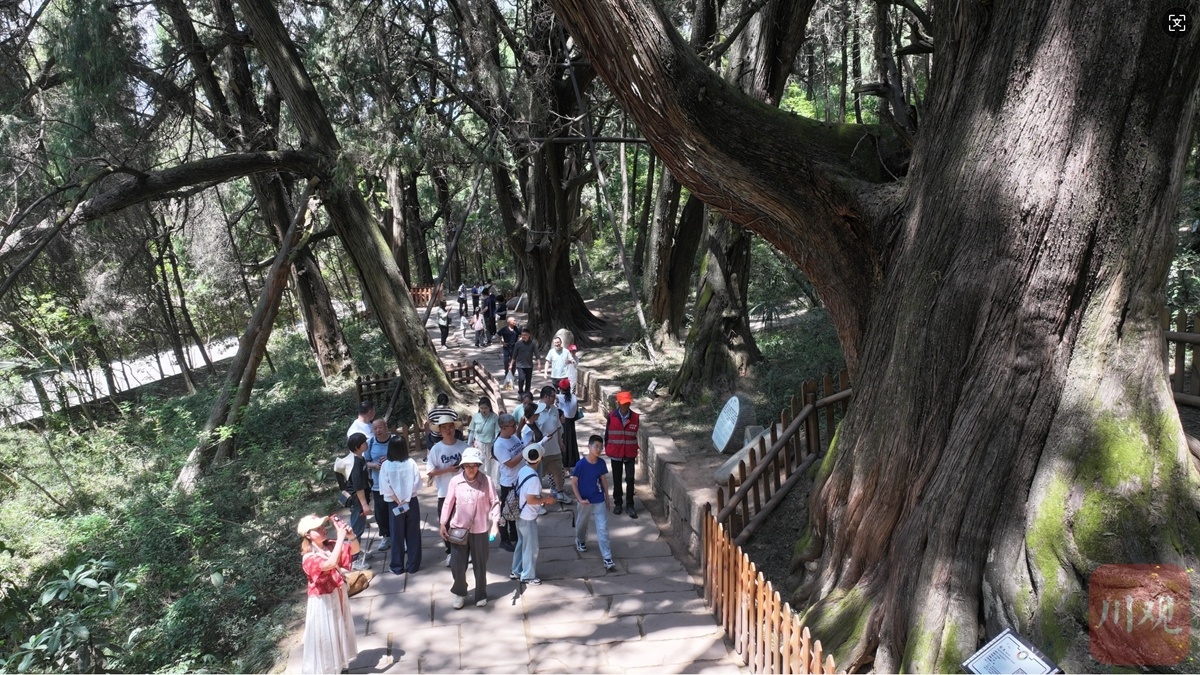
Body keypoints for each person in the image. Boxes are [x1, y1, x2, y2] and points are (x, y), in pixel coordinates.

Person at [297, 514, 360, 674]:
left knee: (340, 629)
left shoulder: (330, 545)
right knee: (326, 635)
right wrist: (340, 537)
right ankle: (328, 669)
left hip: (337, 595)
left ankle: (341, 665)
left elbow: (355, 550)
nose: (323, 530)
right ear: (308, 535)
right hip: (323, 601)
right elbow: (330, 563)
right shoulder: (308, 558)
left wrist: (351, 536)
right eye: (317, 528)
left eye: (322, 526)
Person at [440, 448, 500, 608]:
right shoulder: (455, 481)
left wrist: (495, 524)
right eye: (467, 465)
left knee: (480, 565)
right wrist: (443, 523)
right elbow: (448, 503)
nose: (471, 469)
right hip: (459, 529)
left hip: (480, 529)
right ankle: (460, 592)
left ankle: (481, 594)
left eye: (474, 465)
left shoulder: (486, 481)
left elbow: (495, 502)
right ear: (463, 466)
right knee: (457, 565)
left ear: (479, 466)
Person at [511, 443, 556, 585]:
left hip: (519, 513)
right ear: (540, 459)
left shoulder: (523, 470)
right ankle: (528, 575)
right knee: (531, 547)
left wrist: (541, 498)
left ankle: (516, 570)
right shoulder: (534, 479)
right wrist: (546, 500)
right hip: (528, 516)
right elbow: (531, 500)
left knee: (522, 543)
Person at [426, 412, 467, 566]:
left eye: (450, 427)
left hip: (464, 491)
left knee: (465, 522)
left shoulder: (464, 446)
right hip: (444, 492)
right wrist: (448, 470)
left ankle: (466, 550)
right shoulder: (436, 449)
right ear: (440, 431)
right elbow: (430, 471)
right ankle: (450, 551)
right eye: (444, 428)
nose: (448, 430)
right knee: (447, 524)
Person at [571, 435, 616, 570]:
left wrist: (607, 497)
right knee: (582, 523)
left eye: (601, 447)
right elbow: (573, 483)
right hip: (584, 501)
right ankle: (580, 540)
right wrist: (579, 499)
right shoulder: (581, 465)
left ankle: (607, 557)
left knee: (602, 528)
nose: (599, 449)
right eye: (596, 446)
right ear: (589, 447)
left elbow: (603, 480)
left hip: (598, 499)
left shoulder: (601, 463)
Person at [379, 437, 422, 575]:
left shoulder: (386, 465)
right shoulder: (411, 463)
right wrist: (406, 500)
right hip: (411, 502)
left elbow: (385, 486)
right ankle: (413, 565)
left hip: (394, 504)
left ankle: (397, 566)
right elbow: (417, 483)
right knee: (413, 533)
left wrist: (398, 501)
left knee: (396, 534)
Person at [524, 398, 571, 505]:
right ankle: (535, 502)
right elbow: (529, 448)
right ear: (533, 415)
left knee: (552, 473)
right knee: (535, 480)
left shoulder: (534, 425)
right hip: (534, 460)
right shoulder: (526, 430)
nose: (539, 415)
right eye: (537, 414)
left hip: (540, 455)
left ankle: (542, 499)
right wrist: (544, 441)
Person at [605, 391, 641, 519]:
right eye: (623, 403)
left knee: (630, 479)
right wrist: (607, 448)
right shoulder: (611, 416)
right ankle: (618, 503)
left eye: (628, 403)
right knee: (617, 478)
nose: (626, 406)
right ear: (618, 403)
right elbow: (607, 434)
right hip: (616, 452)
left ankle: (630, 505)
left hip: (629, 453)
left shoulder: (635, 417)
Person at [491, 414, 524, 552]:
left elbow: (520, 447)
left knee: (515, 510)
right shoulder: (499, 445)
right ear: (503, 428)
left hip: (519, 480)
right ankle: (504, 539)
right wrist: (525, 452)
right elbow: (510, 463)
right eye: (512, 426)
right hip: (509, 483)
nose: (515, 427)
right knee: (505, 512)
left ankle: (514, 534)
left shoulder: (513, 437)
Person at [346, 433, 373, 568]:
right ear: (357, 447)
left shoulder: (360, 458)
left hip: (360, 500)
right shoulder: (355, 463)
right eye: (364, 442)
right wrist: (364, 505)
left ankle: (357, 552)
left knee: (359, 527)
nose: (366, 444)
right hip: (357, 501)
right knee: (356, 530)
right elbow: (358, 487)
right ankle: (354, 560)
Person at [365, 419, 393, 553]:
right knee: (381, 513)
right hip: (378, 484)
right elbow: (365, 462)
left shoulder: (394, 440)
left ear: (386, 427)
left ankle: (402, 536)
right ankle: (386, 536)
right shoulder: (370, 443)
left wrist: (390, 461)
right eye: (375, 428)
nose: (378, 430)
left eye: (380, 427)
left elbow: (403, 457)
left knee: (398, 510)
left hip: (394, 483)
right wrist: (375, 465)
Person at [466, 397, 500, 484]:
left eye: (485, 408)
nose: (483, 410)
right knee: (480, 464)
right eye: (481, 408)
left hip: (491, 444)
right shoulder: (476, 417)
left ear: (489, 408)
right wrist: (468, 445)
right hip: (479, 444)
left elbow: (497, 432)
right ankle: (480, 483)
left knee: (491, 465)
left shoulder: (494, 417)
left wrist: (495, 446)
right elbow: (472, 432)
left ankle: (491, 484)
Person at [556, 379, 580, 469]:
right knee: (571, 441)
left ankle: (565, 462)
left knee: (563, 441)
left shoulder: (559, 397)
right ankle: (572, 460)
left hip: (563, 422)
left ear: (560, 388)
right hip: (571, 422)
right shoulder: (574, 397)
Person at [510, 329, 539, 395]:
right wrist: (511, 365)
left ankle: (527, 393)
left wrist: (539, 364)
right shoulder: (518, 344)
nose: (523, 336)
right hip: (520, 365)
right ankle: (520, 391)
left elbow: (537, 354)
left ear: (529, 335)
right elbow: (514, 355)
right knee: (521, 378)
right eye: (522, 335)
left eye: (525, 335)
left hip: (529, 365)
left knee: (528, 380)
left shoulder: (532, 344)